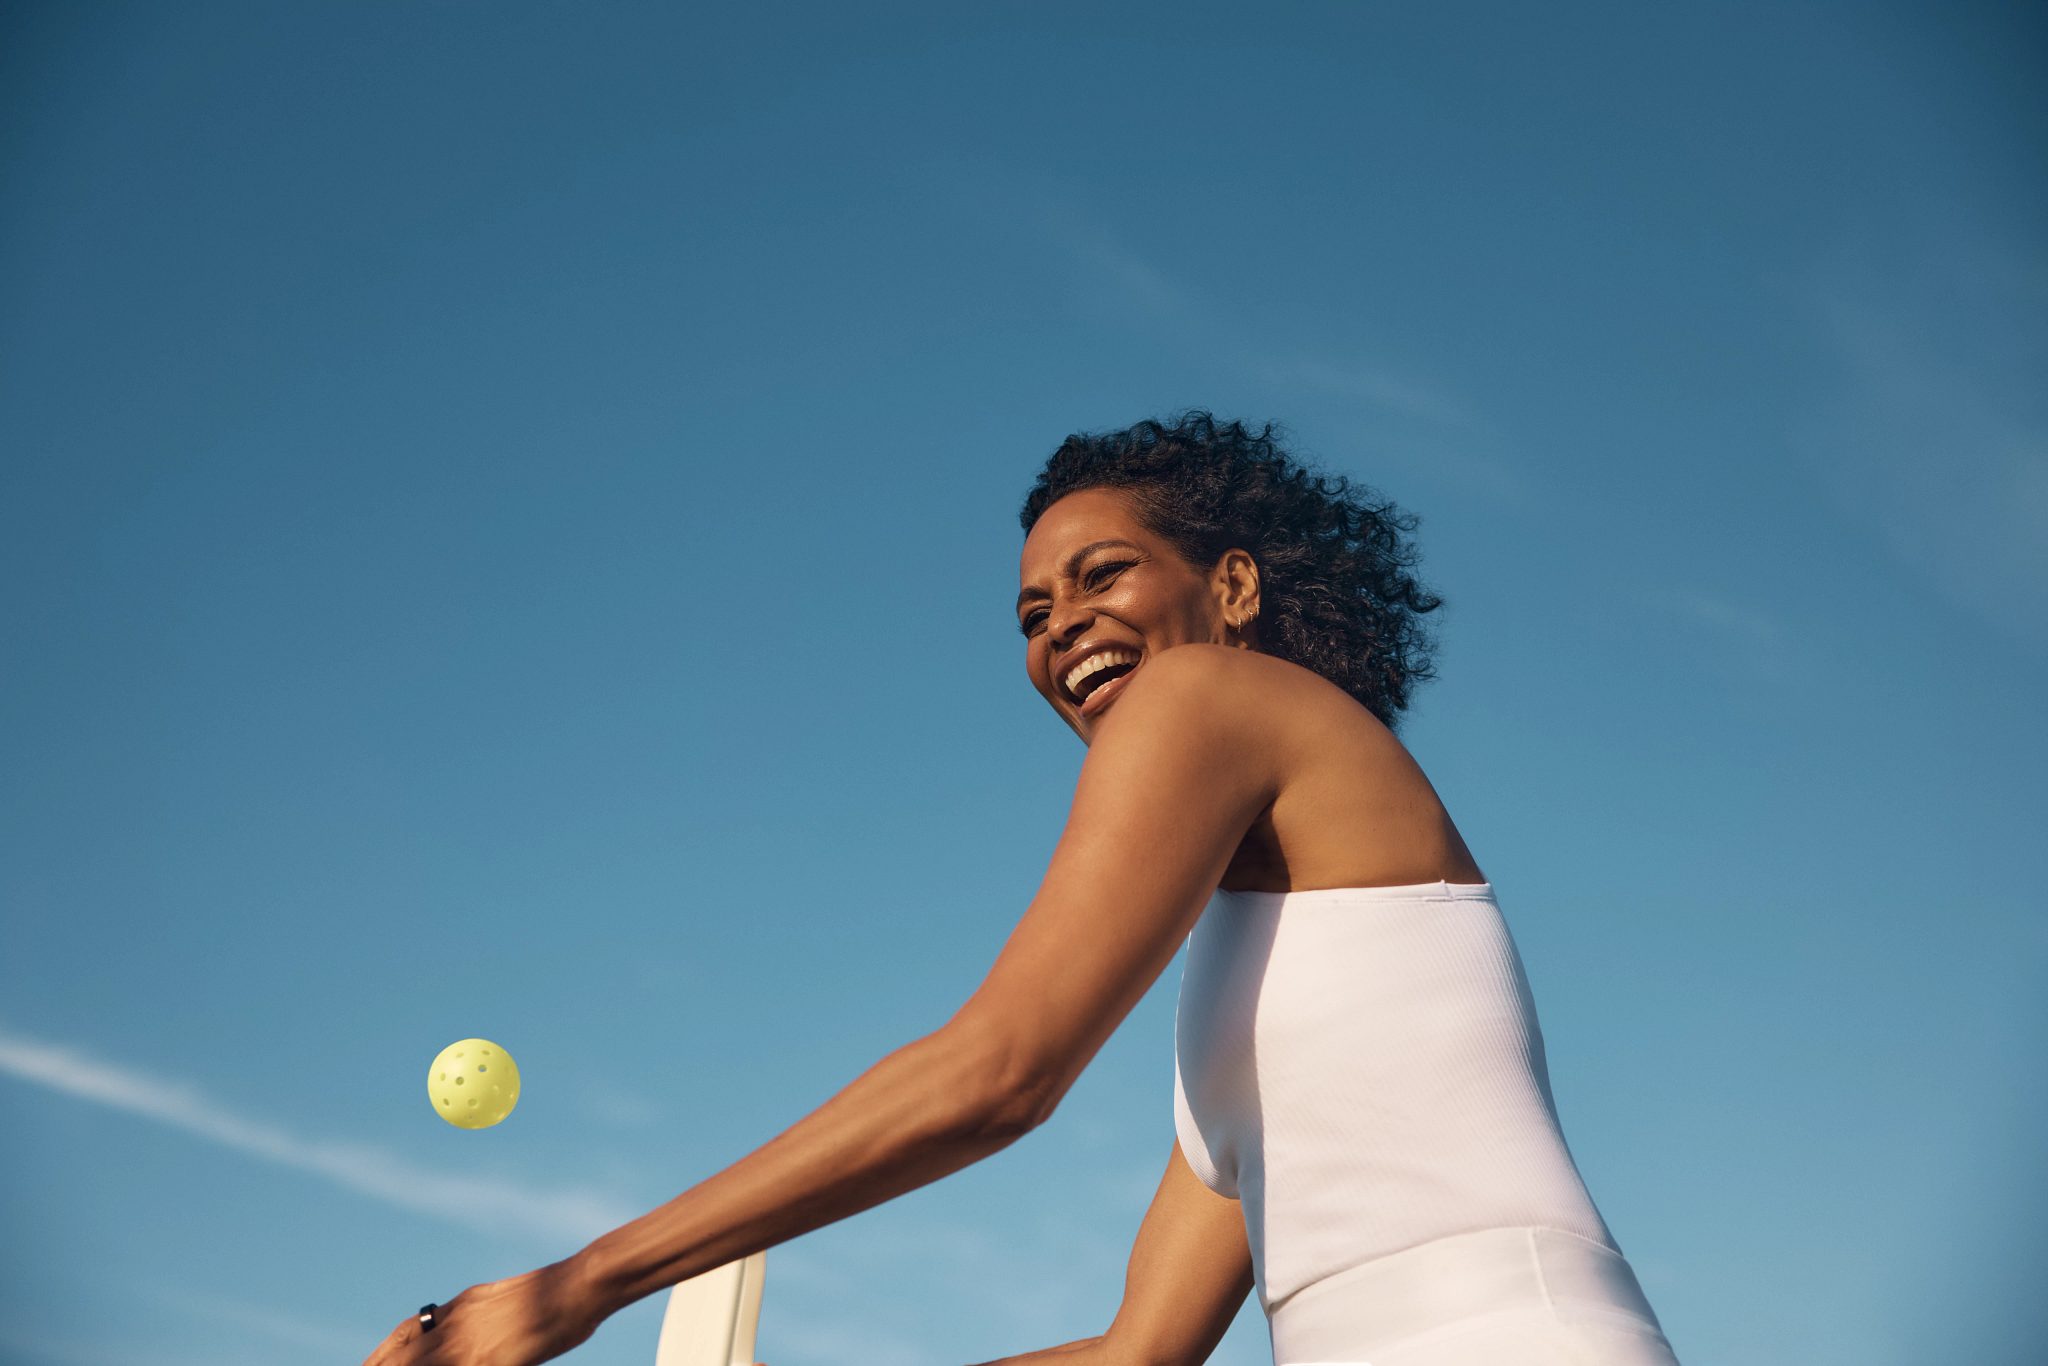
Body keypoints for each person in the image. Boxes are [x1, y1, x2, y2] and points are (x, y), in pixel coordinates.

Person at [363, 410, 1679, 1366]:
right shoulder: (1244, 1018)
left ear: (1228, 588)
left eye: (1102, 574)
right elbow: (1134, 1356)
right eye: (1031, 614)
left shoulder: (1209, 691)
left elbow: (999, 1072)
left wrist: (576, 1288)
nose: (1060, 629)